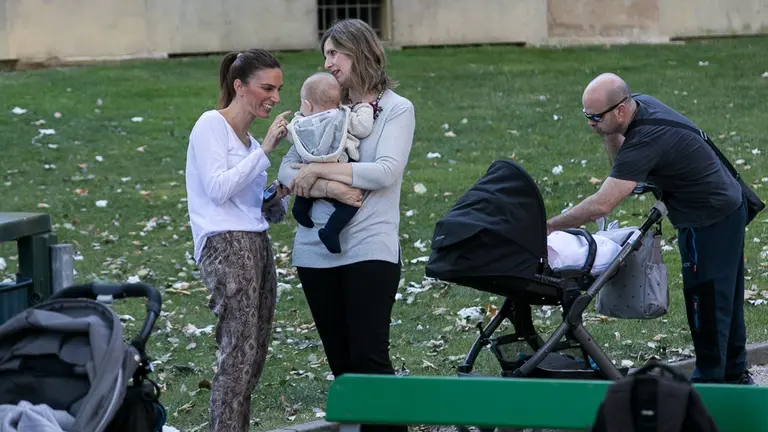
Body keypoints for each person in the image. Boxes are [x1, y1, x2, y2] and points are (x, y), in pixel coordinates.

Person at [546, 72, 753, 385]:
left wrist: (549, 225)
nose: (590, 123)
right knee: (726, 297)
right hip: (727, 206)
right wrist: (607, 131)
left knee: (706, 300)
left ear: (619, 110)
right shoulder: (639, 106)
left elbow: (602, 205)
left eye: (595, 117)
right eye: (586, 116)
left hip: (707, 218)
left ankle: (709, 383)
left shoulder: (646, 138)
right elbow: (622, 165)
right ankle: (735, 374)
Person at [278, 18, 414, 432]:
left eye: (335, 53)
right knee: (342, 366)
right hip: (314, 253)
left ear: (360, 50)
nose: (329, 62)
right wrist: (334, 190)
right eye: (325, 56)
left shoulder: (396, 108)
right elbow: (286, 171)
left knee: (370, 361)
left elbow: (385, 172)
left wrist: (317, 173)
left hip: (370, 249)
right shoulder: (324, 105)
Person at [185, 48, 292, 432]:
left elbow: (251, 204)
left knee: (255, 354)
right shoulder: (211, 125)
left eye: (278, 90)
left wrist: (281, 189)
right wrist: (265, 151)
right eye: (267, 88)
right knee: (238, 355)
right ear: (239, 86)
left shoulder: (246, 143)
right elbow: (217, 190)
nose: (275, 98)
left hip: (256, 244)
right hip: (225, 245)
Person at [284, 71, 375, 253]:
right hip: (338, 169)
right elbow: (363, 128)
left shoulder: (302, 122)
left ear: (307, 105)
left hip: (310, 170)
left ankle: (300, 208)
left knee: (305, 177)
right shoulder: (343, 117)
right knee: (351, 203)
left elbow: (292, 136)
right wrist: (364, 107)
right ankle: (331, 231)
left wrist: (284, 128)